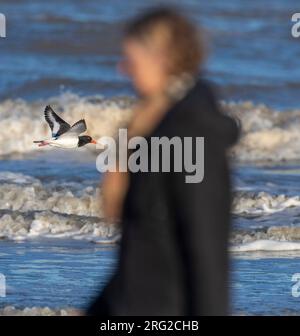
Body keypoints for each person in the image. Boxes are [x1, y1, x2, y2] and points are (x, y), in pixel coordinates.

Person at [87, 7, 239, 316]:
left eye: (131, 59)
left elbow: (206, 251)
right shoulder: (152, 130)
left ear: (162, 57)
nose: (122, 69)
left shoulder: (192, 134)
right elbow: (142, 254)